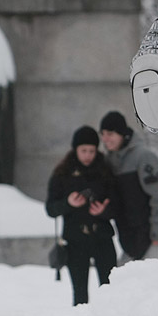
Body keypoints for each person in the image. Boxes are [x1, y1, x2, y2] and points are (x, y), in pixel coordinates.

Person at [44, 126, 118, 306]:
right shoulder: (62, 173)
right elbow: (50, 209)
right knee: (79, 295)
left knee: (109, 290)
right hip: (75, 241)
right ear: (75, 149)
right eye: (83, 150)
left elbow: (118, 205)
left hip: (102, 238)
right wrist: (68, 203)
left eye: (92, 150)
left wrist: (103, 211)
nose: (88, 155)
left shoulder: (106, 170)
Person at [99, 110, 158, 264]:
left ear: (122, 134)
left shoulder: (143, 157)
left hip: (156, 238)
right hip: (133, 241)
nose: (105, 138)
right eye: (102, 134)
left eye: (110, 133)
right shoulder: (109, 161)